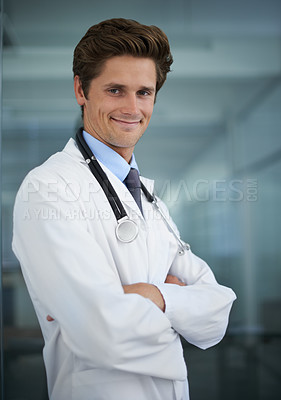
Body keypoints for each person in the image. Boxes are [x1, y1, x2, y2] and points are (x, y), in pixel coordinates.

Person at [12, 18, 236, 400]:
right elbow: (103, 332)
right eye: (115, 90)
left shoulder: (149, 200)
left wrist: (152, 295)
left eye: (144, 92)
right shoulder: (48, 189)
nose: (132, 108)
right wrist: (181, 313)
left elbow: (217, 313)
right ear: (81, 90)